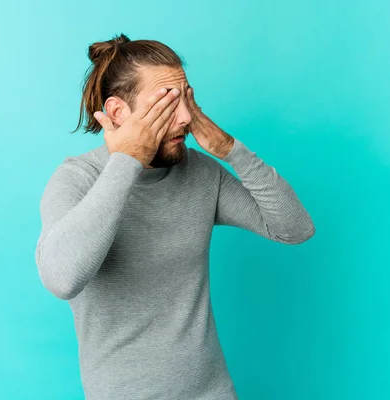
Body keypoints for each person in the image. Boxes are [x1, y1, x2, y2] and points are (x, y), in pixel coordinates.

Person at [34, 33, 316, 400]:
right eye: (167, 103)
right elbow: (61, 279)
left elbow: (295, 229)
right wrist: (127, 161)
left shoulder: (199, 172)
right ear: (119, 112)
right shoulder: (76, 179)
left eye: (186, 98)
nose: (184, 118)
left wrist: (231, 151)